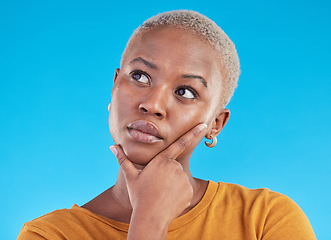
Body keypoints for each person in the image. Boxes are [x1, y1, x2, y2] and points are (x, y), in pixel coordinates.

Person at [18, 10, 316, 239]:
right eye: (140, 77)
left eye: (185, 92)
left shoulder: (264, 220)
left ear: (215, 124)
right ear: (114, 85)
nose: (153, 105)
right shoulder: (49, 235)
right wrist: (149, 221)